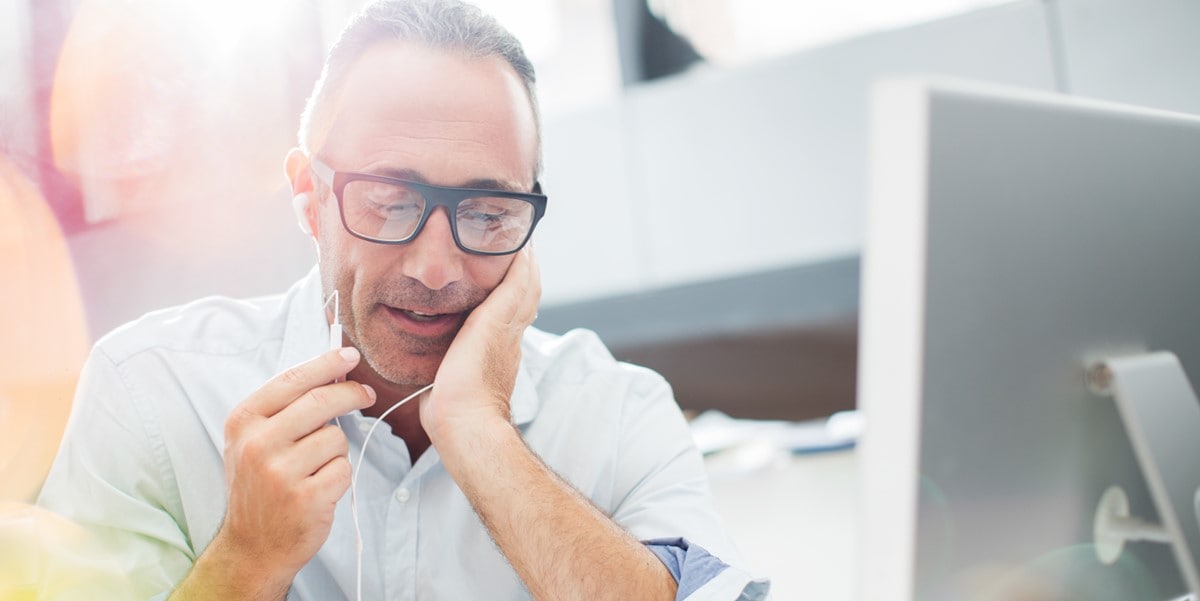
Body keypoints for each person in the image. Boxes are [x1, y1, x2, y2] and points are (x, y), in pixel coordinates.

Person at [37, 1, 769, 600]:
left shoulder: (618, 414)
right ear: (309, 198)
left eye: (487, 213)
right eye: (389, 202)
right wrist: (243, 561)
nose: (434, 264)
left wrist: (479, 431)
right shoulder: (151, 395)